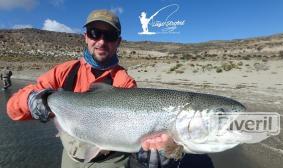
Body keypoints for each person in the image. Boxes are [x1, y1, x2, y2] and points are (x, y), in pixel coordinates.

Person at [6, 10, 180, 168]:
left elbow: (134, 130)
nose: (101, 42)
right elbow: (13, 109)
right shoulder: (64, 71)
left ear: (118, 41)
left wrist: (152, 150)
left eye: (110, 35)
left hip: (111, 160)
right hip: (70, 157)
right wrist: (32, 100)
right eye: (95, 33)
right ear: (86, 37)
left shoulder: (125, 82)